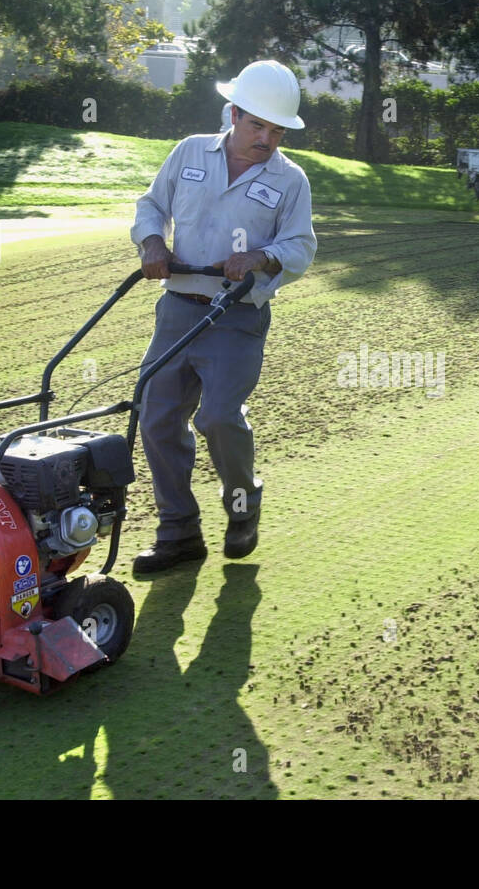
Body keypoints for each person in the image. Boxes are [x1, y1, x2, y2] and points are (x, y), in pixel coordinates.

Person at [129, 60, 317, 573]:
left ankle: (242, 504)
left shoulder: (290, 180)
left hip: (235, 316)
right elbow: (151, 205)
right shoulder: (190, 151)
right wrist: (151, 241)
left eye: (277, 130)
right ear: (233, 114)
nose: (267, 138)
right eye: (258, 125)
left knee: (216, 417)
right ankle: (179, 532)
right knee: (156, 414)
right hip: (178, 307)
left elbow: (300, 246)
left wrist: (259, 258)